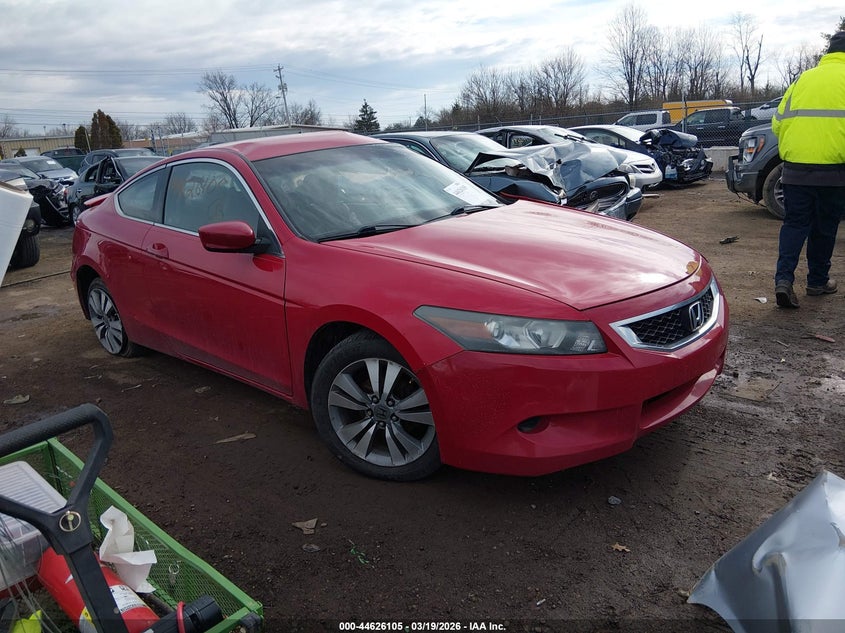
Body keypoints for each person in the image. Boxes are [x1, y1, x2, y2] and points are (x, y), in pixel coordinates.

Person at [772, 31, 845, 309]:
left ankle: (783, 280)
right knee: (824, 227)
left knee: (794, 224)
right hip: (835, 172)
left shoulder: (803, 79)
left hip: (795, 171)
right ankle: (817, 282)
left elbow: (778, 123)